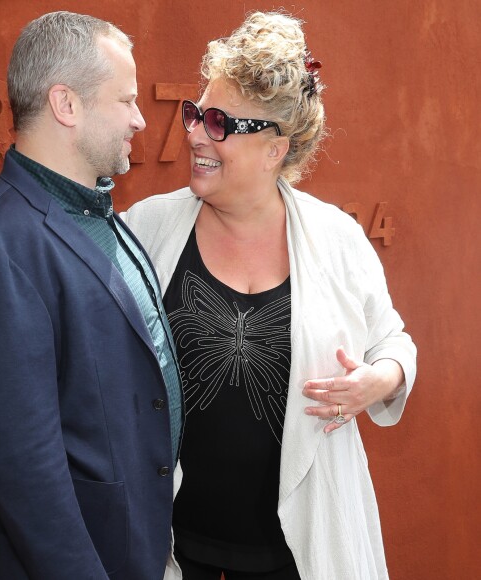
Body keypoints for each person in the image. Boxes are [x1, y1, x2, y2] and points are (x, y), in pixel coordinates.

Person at [122, 11, 417, 580]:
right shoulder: (146, 229)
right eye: (194, 114)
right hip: (177, 548)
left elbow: (394, 342)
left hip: (301, 547)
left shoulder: (336, 238)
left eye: (218, 122)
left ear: (275, 149)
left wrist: (379, 380)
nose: (194, 133)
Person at [0, 11, 183, 580]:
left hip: (141, 542)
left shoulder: (97, 209)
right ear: (66, 105)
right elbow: (23, 466)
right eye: (125, 100)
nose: (141, 120)